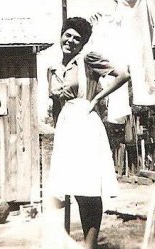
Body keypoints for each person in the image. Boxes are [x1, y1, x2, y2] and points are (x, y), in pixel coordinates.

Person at [45, 17, 130, 249]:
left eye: (77, 38)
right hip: (65, 127)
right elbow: (55, 103)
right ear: (61, 34)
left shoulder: (88, 60)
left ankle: (89, 245)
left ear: (83, 44)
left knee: (87, 189)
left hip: (85, 124)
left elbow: (123, 74)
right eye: (68, 35)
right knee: (63, 188)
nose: (70, 41)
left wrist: (97, 98)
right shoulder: (53, 69)